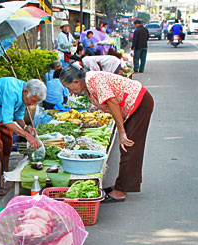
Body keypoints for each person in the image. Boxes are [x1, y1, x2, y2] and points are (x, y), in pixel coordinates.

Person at [59, 65, 154, 203]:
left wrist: (121, 131)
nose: (70, 92)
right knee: (127, 147)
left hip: (139, 104)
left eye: (69, 87)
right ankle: (122, 184)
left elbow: (113, 102)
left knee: (129, 145)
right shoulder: (87, 85)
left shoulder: (94, 80)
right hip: (132, 106)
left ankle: (120, 191)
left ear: (76, 81)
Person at [0, 78, 46, 187]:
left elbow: (18, 116)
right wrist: (26, 136)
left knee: (7, 142)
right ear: (26, 92)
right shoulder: (12, 91)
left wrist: (25, 127)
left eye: (35, 102)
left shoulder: (25, 95)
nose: (32, 104)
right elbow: (8, 121)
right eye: (32, 101)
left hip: (3, 113)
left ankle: (5, 174)